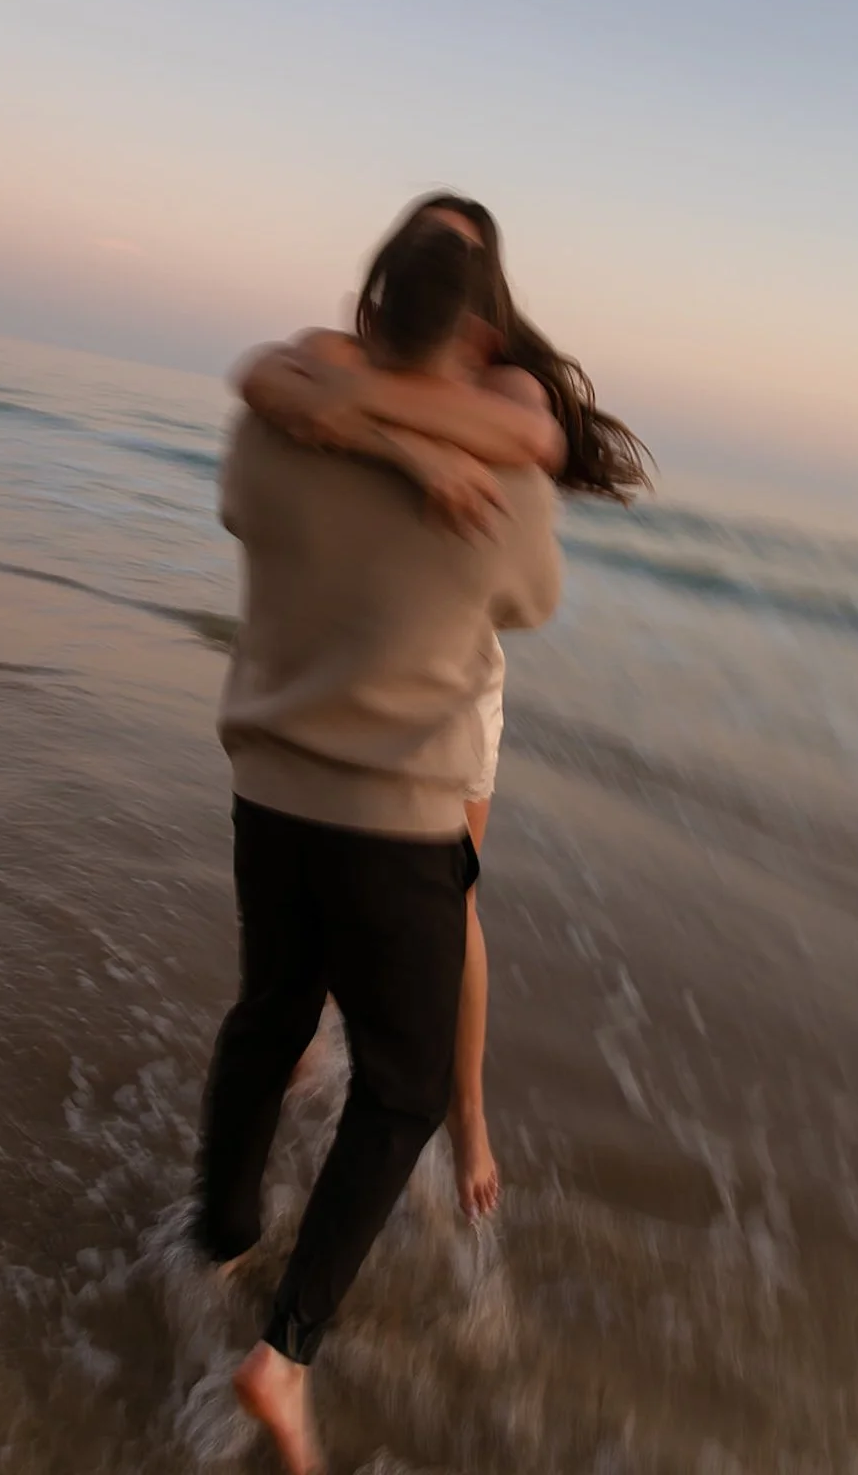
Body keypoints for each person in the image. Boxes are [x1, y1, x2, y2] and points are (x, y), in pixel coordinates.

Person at [194, 214, 562, 1475]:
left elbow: (244, 502)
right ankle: (281, 1355)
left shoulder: (280, 414)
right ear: (472, 329)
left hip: (268, 796)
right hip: (395, 824)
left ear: (368, 300)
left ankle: (220, 1230)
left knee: (267, 1012)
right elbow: (531, 599)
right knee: (398, 1089)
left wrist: (354, 420)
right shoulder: (498, 470)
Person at [233, 192, 650, 1220]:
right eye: (429, 251)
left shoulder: (503, 382)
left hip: (451, 661)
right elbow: (255, 374)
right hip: (345, 634)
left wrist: (347, 404)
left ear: (483, 302)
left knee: (444, 891)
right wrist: (406, 448)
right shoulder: (351, 349)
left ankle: (464, 1110)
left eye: (461, 259)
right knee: (330, 852)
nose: (439, 275)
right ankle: (308, 1031)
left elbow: (528, 444)